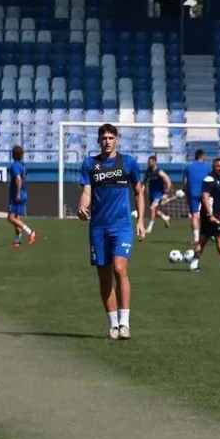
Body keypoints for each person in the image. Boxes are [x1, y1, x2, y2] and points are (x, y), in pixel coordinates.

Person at [76, 124, 145, 340]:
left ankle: (125, 323)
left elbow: (139, 192)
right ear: (98, 140)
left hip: (122, 226)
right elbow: (87, 191)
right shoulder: (90, 164)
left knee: (119, 268)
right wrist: (81, 206)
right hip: (98, 227)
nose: (107, 141)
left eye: (111, 137)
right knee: (104, 277)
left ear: (117, 140)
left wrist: (141, 220)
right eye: (103, 137)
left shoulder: (128, 163)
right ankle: (113, 325)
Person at [6, 145, 37, 247]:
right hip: (24, 193)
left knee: (11, 218)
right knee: (16, 218)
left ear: (12, 155)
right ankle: (17, 241)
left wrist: (17, 194)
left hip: (17, 194)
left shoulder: (15, 166)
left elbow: (18, 179)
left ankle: (30, 232)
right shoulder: (23, 165)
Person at [183, 149, 211, 247]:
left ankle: (196, 238)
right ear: (202, 156)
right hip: (205, 193)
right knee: (208, 213)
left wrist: (186, 193)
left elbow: (185, 182)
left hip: (193, 193)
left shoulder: (188, 167)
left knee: (194, 215)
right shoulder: (207, 167)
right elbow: (211, 180)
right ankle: (210, 234)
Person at [144, 154, 173, 233]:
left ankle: (149, 228)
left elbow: (168, 181)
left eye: (150, 162)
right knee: (155, 211)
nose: (148, 163)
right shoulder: (148, 171)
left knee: (152, 208)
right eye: (148, 162)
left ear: (155, 162)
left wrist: (166, 193)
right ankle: (165, 218)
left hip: (158, 193)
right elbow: (145, 181)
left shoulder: (159, 172)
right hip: (151, 193)